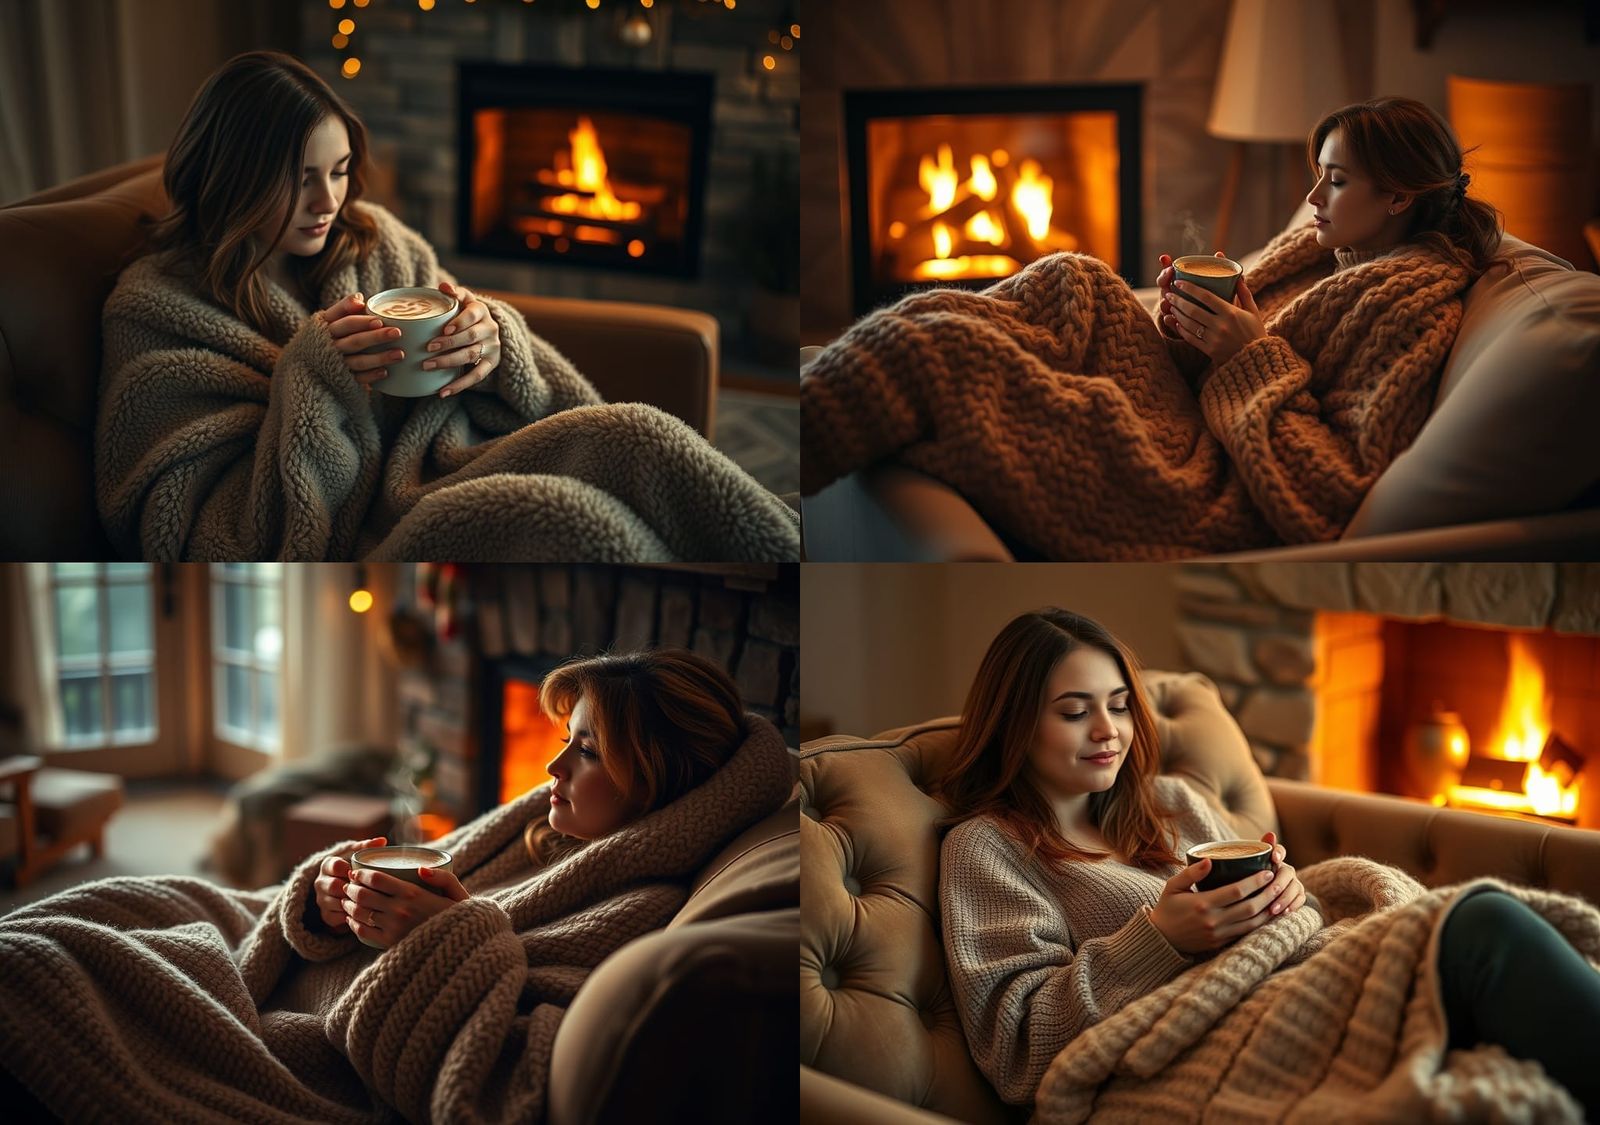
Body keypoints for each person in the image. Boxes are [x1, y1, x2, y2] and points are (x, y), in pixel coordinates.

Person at [0, 648, 795, 1122]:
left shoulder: (641, 908)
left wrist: (438, 934)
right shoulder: (539, 828)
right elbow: (428, 863)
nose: (552, 766)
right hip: (277, 953)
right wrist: (329, 892)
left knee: (48, 971)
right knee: (104, 908)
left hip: (322, 1035)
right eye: (563, 738)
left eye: (586, 751)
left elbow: (506, 1083)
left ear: (656, 778)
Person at [96, 49, 798, 562]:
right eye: (300, 179)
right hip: (366, 529)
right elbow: (193, 533)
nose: (329, 201)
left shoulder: (374, 242)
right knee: (574, 520)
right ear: (232, 177)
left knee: (640, 434)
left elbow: (511, 370)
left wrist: (492, 343)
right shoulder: (156, 310)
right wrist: (311, 373)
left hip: (450, 453)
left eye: (339, 172)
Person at [934, 608, 1600, 1119]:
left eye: (1118, 706)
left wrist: (1286, 894)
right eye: (1075, 712)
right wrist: (1159, 939)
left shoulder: (1173, 802)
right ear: (1016, 724)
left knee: (1478, 933)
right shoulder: (988, 848)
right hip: (1189, 1046)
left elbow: (1299, 918)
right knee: (1479, 924)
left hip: (1296, 980)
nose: (1108, 730)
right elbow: (1018, 1045)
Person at [800, 96, 1503, 559]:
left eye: (1337, 181)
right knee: (1073, 279)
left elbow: (1332, 492)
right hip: (1192, 403)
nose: (1313, 198)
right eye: (1317, 175)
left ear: (1399, 197)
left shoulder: (1413, 308)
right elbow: (1243, 347)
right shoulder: (1332, 251)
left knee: (944, 351)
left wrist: (1249, 356)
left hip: (1213, 476)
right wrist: (1190, 329)